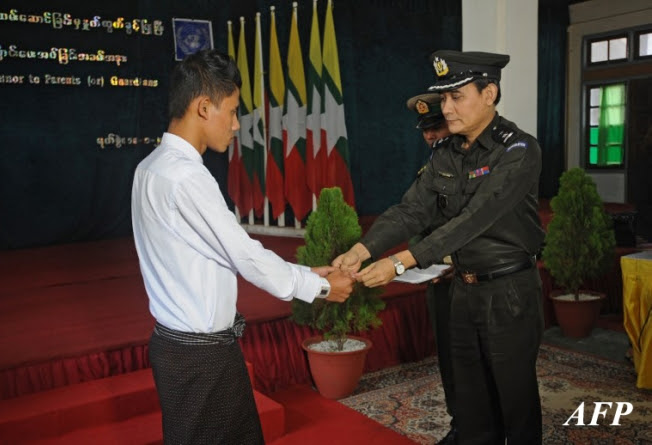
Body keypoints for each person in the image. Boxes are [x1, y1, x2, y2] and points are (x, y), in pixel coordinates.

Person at [131, 49, 354, 445]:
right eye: (231, 111)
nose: (236, 125)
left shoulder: (149, 166)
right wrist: (320, 288)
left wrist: (306, 273)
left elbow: (217, 252)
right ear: (203, 108)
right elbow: (244, 255)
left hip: (176, 347)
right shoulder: (187, 178)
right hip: (204, 359)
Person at [334, 50, 545, 444]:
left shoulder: (518, 150)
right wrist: (363, 250)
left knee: (515, 401)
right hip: (463, 290)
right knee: (470, 400)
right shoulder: (447, 152)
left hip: (508, 292)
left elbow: (474, 219)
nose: (446, 108)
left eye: (456, 97)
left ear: (489, 94)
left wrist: (400, 263)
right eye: (443, 98)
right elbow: (411, 210)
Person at [406, 92, 457, 444]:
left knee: (478, 359)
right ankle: (462, 424)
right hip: (437, 276)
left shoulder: (477, 164)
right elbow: (415, 220)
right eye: (426, 130)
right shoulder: (430, 168)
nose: (430, 136)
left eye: (436, 127)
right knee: (450, 358)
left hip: (468, 274)